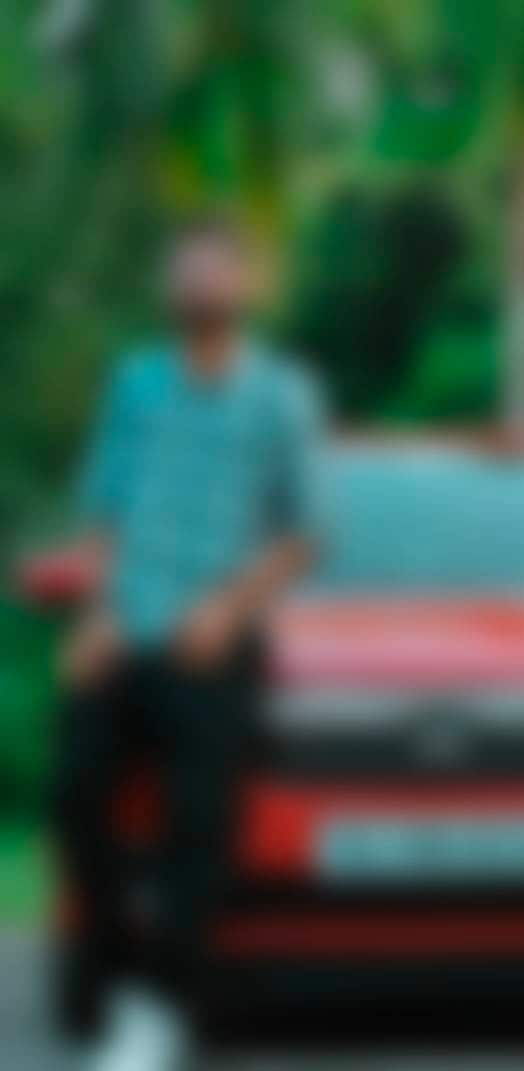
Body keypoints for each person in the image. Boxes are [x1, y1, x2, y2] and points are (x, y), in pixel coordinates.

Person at [54, 218, 326, 1070]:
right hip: (124, 628)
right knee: (75, 795)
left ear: (246, 287)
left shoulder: (282, 394)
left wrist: (228, 608)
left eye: (215, 268)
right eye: (186, 269)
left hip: (214, 637)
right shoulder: (135, 383)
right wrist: (94, 612)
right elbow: (102, 512)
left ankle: (162, 1006)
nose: (200, 281)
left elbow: (306, 533)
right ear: (169, 288)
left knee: (197, 819)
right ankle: (112, 978)